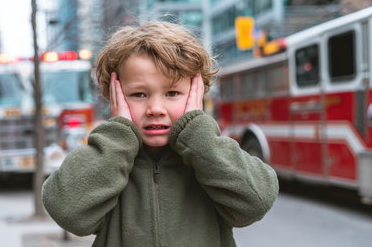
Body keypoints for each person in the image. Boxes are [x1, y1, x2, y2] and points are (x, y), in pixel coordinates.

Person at [42, 20, 279, 246]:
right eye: (139, 95)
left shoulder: (210, 155)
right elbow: (67, 211)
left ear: (197, 94)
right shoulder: (107, 159)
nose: (155, 109)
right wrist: (118, 136)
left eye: (172, 93)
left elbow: (256, 202)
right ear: (115, 97)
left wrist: (197, 133)